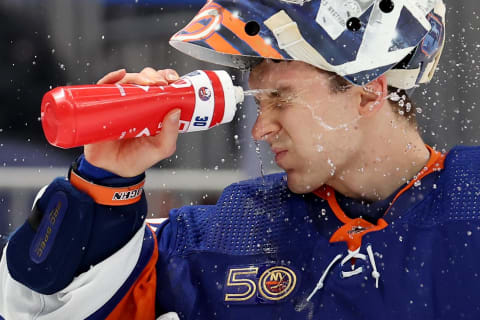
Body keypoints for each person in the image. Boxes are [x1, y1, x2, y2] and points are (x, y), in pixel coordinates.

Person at [2, 0, 480, 319]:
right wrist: (104, 180)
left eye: (281, 99)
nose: (259, 128)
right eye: (257, 102)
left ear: (368, 92)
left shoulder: (471, 207)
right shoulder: (227, 233)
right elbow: (36, 308)